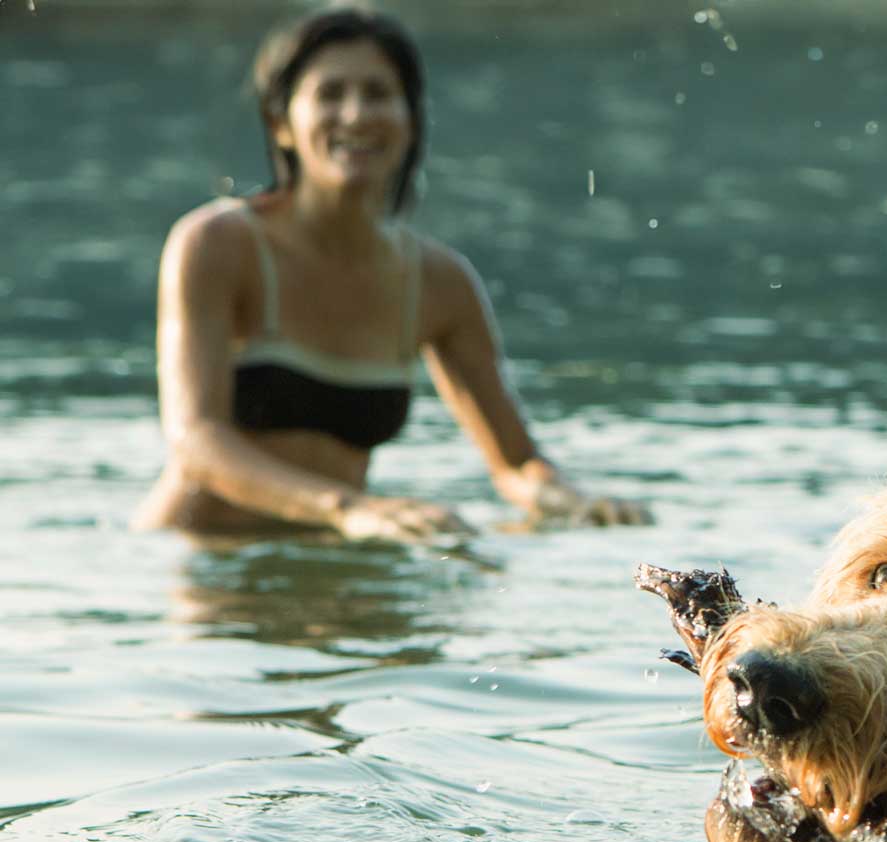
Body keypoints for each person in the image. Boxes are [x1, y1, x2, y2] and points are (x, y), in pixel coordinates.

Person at [136, 5, 647, 542]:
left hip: (333, 568)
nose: (356, 115)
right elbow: (197, 440)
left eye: (378, 94)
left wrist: (577, 502)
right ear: (281, 123)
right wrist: (347, 508)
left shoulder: (440, 282)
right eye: (330, 94)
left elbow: (516, 465)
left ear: (410, 120)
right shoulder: (217, 244)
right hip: (200, 562)